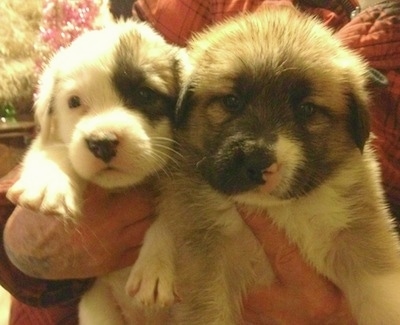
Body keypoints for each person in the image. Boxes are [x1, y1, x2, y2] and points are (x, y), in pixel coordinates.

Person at [0, 0, 398, 323]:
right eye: (230, 102)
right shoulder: (182, 18)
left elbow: (374, 264)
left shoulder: (350, 162)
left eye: (309, 111)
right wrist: (19, 240)